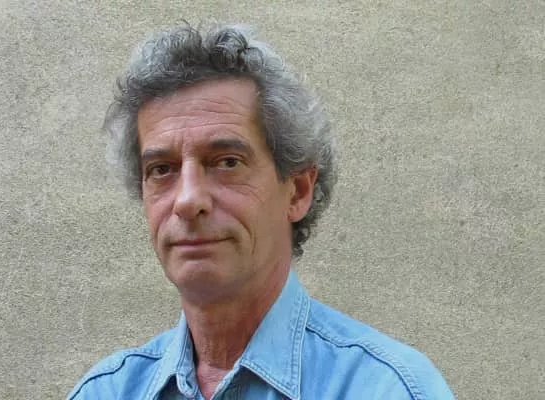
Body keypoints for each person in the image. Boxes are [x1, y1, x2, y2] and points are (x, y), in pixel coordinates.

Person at [68, 22, 454, 400]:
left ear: (298, 191)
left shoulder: (386, 389)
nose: (187, 200)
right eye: (161, 169)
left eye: (227, 162)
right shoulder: (107, 392)